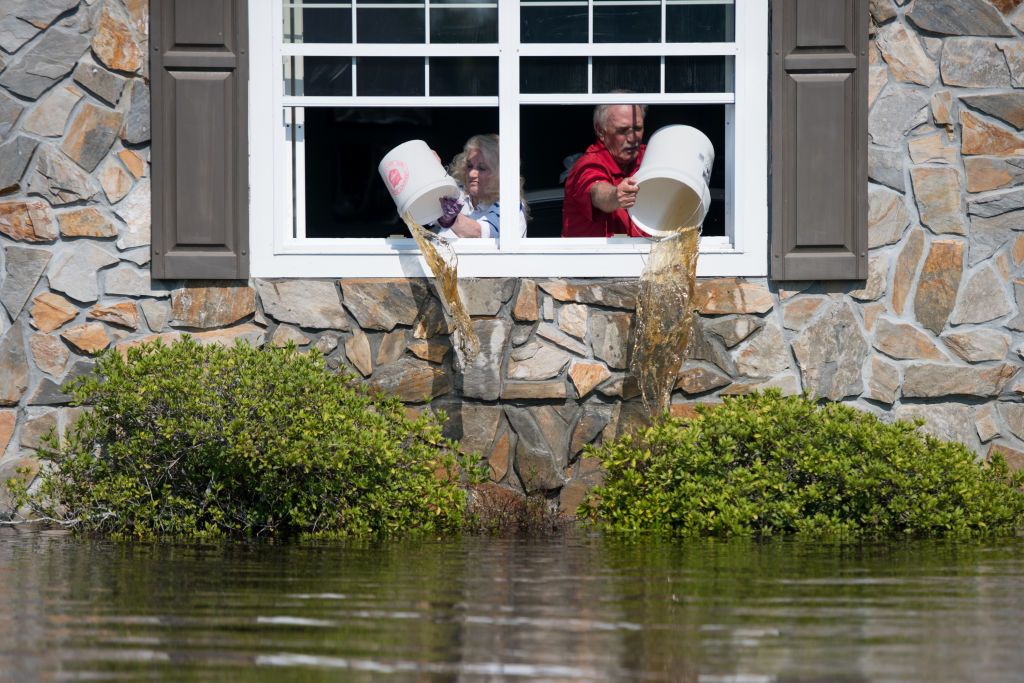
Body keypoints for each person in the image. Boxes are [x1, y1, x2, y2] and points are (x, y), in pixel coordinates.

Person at [561, 103, 648, 238]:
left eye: (637, 128)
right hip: (594, 257)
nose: (632, 138)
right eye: (622, 130)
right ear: (601, 131)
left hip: (648, 257)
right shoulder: (587, 164)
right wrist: (615, 195)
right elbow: (596, 191)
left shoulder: (649, 157)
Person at [434, 134, 528, 239]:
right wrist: (430, 168)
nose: (471, 174)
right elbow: (422, 211)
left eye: (482, 168)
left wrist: (452, 219)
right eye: (469, 166)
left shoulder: (511, 204)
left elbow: (480, 232)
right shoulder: (460, 195)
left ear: (500, 173)